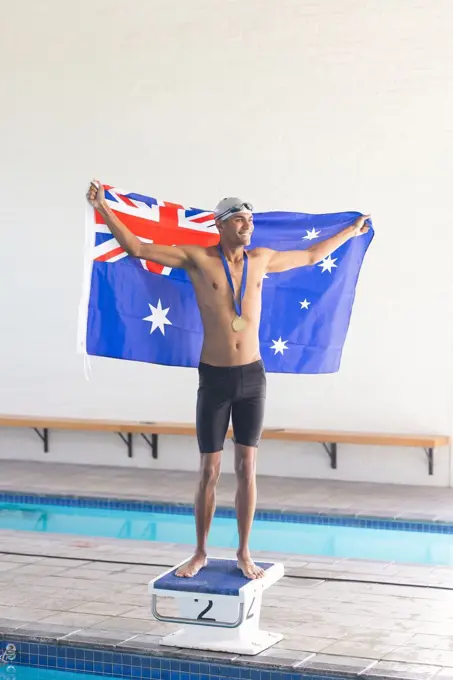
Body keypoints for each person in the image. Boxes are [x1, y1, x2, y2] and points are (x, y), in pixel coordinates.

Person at [86, 180, 370, 579]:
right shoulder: (199, 259)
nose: (247, 226)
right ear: (220, 225)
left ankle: (244, 552)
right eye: (239, 220)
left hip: (253, 376)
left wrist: (349, 232)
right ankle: (200, 552)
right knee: (209, 471)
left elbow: (310, 255)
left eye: (250, 220)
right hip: (215, 378)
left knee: (248, 467)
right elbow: (137, 249)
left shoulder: (262, 259)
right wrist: (104, 208)